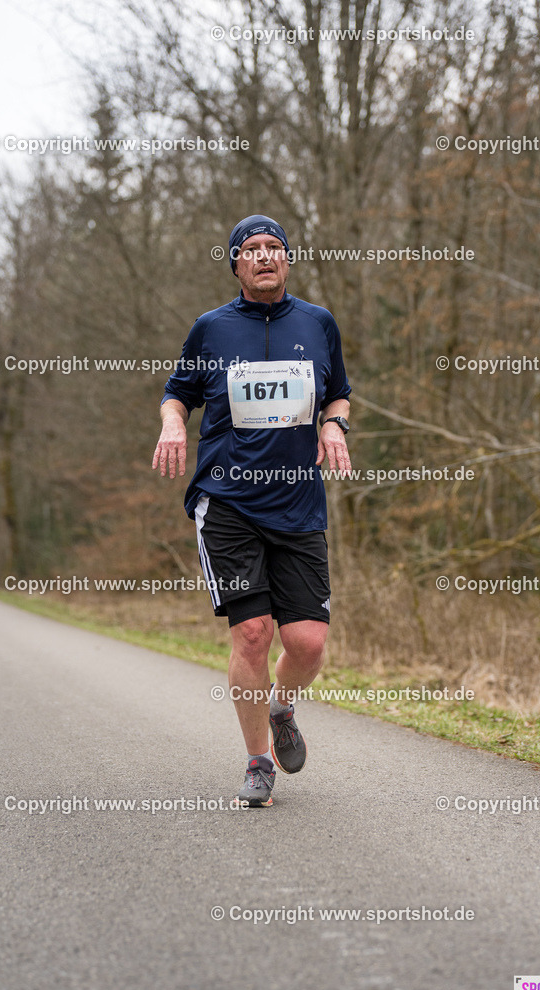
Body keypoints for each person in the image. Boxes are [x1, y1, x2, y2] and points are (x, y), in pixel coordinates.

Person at [152, 214, 351, 806]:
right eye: (252, 249)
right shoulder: (211, 329)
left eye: (274, 247)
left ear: (287, 259)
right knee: (253, 633)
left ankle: (281, 706)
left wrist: (334, 424)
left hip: (298, 503)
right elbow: (177, 393)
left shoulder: (318, 323)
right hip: (229, 501)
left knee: (308, 642)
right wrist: (172, 426)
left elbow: (338, 393)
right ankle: (258, 760)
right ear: (235, 263)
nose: (265, 256)